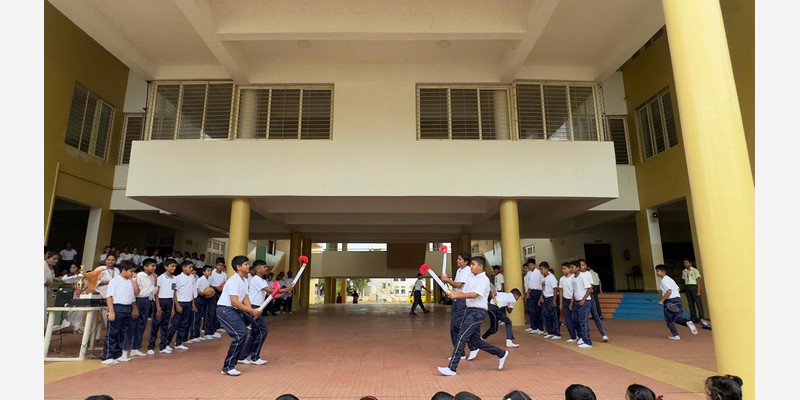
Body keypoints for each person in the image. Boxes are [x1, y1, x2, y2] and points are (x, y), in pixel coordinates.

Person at [437, 256, 509, 376]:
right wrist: (452, 293)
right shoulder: (472, 278)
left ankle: (452, 368)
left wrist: (457, 296)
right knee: (475, 341)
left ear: (480, 267)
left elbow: (475, 294)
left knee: (461, 336)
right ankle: (501, 353)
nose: (471, 266)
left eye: (473, 264)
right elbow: (463, 292)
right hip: (469, 310)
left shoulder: (484, 280)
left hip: (477, 312)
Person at [239, 259, 292, 366]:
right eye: (264, 267)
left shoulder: (262, 281)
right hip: (253, 308)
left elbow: (273, 295)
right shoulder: (256, 279)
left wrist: (285, 293)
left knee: (255, 333)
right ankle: (254, 357)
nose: (266, 268)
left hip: (258, 308)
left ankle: (242, 356)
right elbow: (271, 291)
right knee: (262, 331)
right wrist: (287, 289)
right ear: (258, 269)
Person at [217, 255, 263, 376]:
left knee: (241, 334)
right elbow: (235, 301)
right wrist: (251, 311)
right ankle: (227, 367)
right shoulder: (234, 280)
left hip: (234, 310)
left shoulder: (244, 280)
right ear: (238, 267)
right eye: (246, 264)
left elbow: (246, 297)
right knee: (240, 334)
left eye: (248, 264)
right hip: (225, 310)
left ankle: (232, 363)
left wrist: (251, 310)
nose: (248, 266)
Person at [100, 260, 140, 364]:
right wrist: (111, 311)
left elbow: (136, 293)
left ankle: (117, 354)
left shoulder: (131, 281)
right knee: (112, 333)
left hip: (128, 308)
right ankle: (107, 356)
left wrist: (135, 281)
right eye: (131, 271)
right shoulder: (115, 281)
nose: (133, 273)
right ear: (123, 270)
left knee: (123, 333)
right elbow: (109, 296)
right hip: (117, 307)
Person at [439, 252, 476, 360]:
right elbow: (456, 285)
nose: (457, 261)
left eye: (460, 259)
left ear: (466, 262)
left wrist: (447, 280)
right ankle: (461, 352)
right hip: (457, 299)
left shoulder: (467, 270)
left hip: (463, 300)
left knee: (459, 326)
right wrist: (449, 289)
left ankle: (473, 346)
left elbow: (459, 284)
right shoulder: (459, 270)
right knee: (454, 327)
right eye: (457, 259)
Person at [655, 264, 698, 340]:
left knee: (669, 320)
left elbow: (669, 291)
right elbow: (678, 289)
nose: (656, 273)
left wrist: (662, 300)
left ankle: (676, 335)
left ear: (663, 272)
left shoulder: (663, 281)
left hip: (670, 301)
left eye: (657, 271)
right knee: (677, 318)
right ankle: (688, 322)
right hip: (678, 300)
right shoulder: (670, 279)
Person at [149, 258, 178, 354]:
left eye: (175, 266)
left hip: (169, 301)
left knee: (165, 325)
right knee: (156, 324)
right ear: (166, 267)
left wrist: (173, 307)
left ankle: (163, 346)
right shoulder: (160, 278)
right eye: (172, 266)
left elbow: (173, 292)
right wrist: (157, 307)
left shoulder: (175, 278)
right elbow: (157, 294)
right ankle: (151, 346)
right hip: (160, 301)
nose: (174, 268)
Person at [130, 258, 157, 356]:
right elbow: (133, 290)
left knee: (142, 324)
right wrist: (134, 306)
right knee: (133, 323)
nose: (154, 267)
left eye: (155, 266)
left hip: (146, 300)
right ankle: (125, 346)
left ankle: (135, 347)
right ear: (145, 267)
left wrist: (155, 282)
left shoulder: (152, 277)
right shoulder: (139, 276)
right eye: (152, 266)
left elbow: (152, 291)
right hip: (138, 300)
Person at [578, 259, 609, 342]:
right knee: (582, 318)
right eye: (580, 265)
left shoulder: (589, 274)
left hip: (589, 296)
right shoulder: (577, 275)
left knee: (595, 315)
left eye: (583, 265)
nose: (582, 267)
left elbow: (591, 286)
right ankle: (582, 336)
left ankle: (603, 334)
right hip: (580, 297)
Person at [172, 259, 197, 351]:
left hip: (189, 302)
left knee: (184, 324)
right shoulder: (177, 278)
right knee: (175, 324)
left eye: (192, 267)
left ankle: (179, 343)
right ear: (183, 268)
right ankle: (166, 343)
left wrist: (193, 304)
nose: (191, 269)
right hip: (180, 302)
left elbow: (192, 291)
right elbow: (173, 292)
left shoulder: (192, 277)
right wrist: (177, 305)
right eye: (189, 267)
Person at [96, 254, 122, 341]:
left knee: (110, 319)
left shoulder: (117, 270)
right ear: (105, 260)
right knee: (98, 319)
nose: (110, 262)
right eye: (108, 260)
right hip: (102, 295)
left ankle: (111, 338)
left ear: (115, 261)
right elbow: (93, 281)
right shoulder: (100, 269)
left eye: (112, 260)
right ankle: (95, 337)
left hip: (114, 296)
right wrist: (107, 282)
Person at [570, 260, 593, 348]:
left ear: (578, 268)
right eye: (571, 267)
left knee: (583, 321)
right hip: (576, 301)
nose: (571, 269)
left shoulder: (582, 277)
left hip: (585, 301)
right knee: (575, 319)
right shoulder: (573, 278)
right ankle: (581, 337)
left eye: (573, 267)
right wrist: (572, 301)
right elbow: (574, 290)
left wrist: (583, 299)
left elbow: (589, 288)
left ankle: (587, 341)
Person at [190, 265, 215, 342]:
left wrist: (209, 293)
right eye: (208, 271)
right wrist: (203, 293)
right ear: (203, 272)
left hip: (205, 299)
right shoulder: (200, 280)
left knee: (202, 317)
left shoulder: (210, 279)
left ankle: (198, 335)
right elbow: (196, 290)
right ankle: (193, 335)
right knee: (196, 317)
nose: (210, 272)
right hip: (199, 298)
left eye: (210, 271)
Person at [538, 261, 561, 339]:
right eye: (540, 269)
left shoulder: (551, 277)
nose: (541, 271)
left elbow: (555, 289)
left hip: (551, 297)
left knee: (553, 316)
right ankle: (550, 331)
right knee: (545, 315)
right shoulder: (542, 278)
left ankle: (557, 333)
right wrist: (541, 297)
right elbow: (543, 288)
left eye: (542, 269)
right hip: (546, 298)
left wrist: (554, 300)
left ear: (547, 269)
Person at [523, 258, 545, 335]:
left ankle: (540, 328)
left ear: (534, 264)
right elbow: (529, 285)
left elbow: (543, 283)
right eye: (529, 265)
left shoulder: (539, 272)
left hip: (538, 292)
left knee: (539, 311)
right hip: (531, 292)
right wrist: (527, 293)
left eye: (531, 265)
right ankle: (534, 327)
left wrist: (542, 294)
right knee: (532, 311)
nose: (530, 266)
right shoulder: (528, 273)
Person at [559, 262, 578, 343]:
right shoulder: (562, 279)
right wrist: (561, 303)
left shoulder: (574, 277)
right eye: (562, 269)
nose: (563, 270)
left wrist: (572, 300)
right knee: (568, 319)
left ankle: (580, 335)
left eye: (565, 268)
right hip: (565, 300)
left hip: (573, 300)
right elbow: (561, 291)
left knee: (575, 318)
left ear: (569, 268)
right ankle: (573, 336)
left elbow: (575, 289)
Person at [681, 258, 705, 322]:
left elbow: (698, 281)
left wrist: (698, 290)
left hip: (694, 286)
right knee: (690, 303)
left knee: (698, 303)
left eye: (687, 262)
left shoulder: (694, 270)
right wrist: (685, 290)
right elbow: (684, 280)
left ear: (690, 263)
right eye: (684, 263)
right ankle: (693, 317)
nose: (685, 264)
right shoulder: (684, 271)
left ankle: (701, 317)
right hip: (687, 287)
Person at [208, 257, 227, 337]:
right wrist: (216, 288)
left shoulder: (224, 274)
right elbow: (209, 283)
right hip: (212, 292)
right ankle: (209, 330)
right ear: (215, 265)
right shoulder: (212, 273)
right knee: (211, 312)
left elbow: (224, 283)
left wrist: (222, 288)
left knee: (218, 311)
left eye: (222, 265)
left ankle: (216, 328)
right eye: (219, 265)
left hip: (221, 293)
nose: (220, 267)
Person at [44, 251, 59, 329]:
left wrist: (51, 291)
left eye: (57, 259)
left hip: (46, 289)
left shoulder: (50, 268)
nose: (56, 261)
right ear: (47, 258)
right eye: (54, 259)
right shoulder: (43, 264)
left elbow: (49, 282)